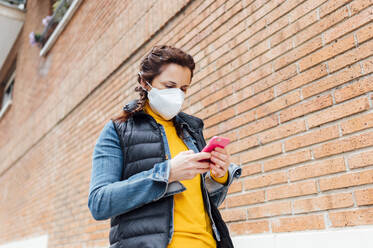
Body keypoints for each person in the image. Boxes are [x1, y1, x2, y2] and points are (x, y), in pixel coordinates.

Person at [88, 45, 241, 248]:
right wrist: (167, 173)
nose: (177, 95)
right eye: (169, 86)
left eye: (183, 88)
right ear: (145, 82)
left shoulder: (191, 130)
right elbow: (99, 202)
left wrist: (217, 178)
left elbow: (200, 204)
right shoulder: (118, 130)